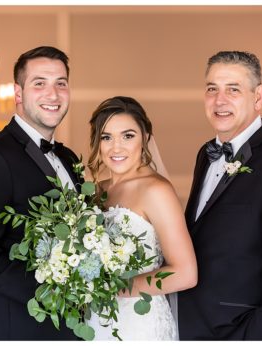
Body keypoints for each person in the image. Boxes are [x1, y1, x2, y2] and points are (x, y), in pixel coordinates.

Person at [178, 51, 262, 340]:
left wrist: (256, 336)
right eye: (212, 89)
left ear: (259, 97)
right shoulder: (205, 155)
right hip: (193, 329)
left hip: (242, 333)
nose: (220, 100)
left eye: (233, 89)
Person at [0, 46, 81, 340]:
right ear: (18, 92)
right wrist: (47, 293)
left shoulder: (70, 159)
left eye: (61, 83)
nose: (53, 94)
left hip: (68, 325)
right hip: (16, 325)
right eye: (40, 83)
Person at [84, 96, 198, 340]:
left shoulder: (156, 190)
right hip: (96, 320)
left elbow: (185, 273)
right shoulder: (95, 191)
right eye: (106, 137)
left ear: (145, 138)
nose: (116, 147)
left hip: (139, 323)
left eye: (128, 136)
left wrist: (115, 289)